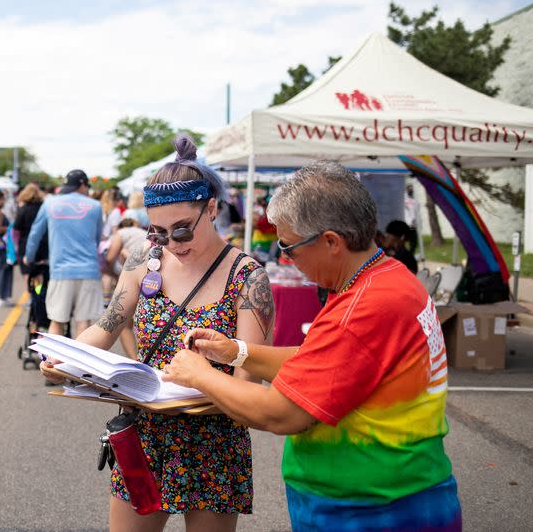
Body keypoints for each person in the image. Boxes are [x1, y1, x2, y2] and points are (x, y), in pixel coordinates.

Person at [163, 161, 461, 532]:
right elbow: (320, 362)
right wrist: (236, 352)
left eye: (288, 246)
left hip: (372, 510)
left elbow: (281, 413)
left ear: (331, 241)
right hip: (394, 495)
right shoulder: (385, 278)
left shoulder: (362, 307)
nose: (286, 258)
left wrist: (200, 375)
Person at [41, 136, 274, 532]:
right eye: (159, 232)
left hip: (214, 443)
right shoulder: (143, 259)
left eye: (182, 230)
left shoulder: (247, 277)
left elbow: (248, 381)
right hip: (145, 433)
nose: (171, 244)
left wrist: (204, 380)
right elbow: (107, 325)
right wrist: (69, 359)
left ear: (212, 208)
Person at [25, 169, 103, 338]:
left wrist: (29, 257)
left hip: (60, 270)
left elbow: (34, 234)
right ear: (82, 185)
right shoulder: (95, 206)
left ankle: (55, 362)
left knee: (57, 321)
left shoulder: (50, 203)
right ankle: (80, 363)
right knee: (83, 323)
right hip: (89, 270)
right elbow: (97, 240)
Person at [103, 217, 147, 358]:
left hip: (136, 274)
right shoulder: (142, 232)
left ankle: (134, 360)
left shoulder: (120, 233)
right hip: (154, 274)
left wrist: (113, 273)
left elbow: (110, 258)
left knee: (124, 323)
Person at [14, 183, 49, 328]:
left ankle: (33, 296)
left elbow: (16, 230)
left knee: (29, 275)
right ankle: (38, 295)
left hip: (25, 247)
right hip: (43, 246)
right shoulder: (44, 208)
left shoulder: (23, 210)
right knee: (41, 276)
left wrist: (16, 247)